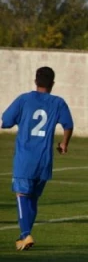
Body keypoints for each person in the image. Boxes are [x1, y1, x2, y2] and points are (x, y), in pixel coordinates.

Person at [1, 67, 73, 250]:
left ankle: (26, 234)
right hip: (44, 160)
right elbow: (68, 124)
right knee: (32, 199)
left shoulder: (24, 99)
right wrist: (64, 143)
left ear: (35, 81)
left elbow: (6, 121)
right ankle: (24, 237)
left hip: (25, 158)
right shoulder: (58, 102)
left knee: (22, 195)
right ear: (53, 84)